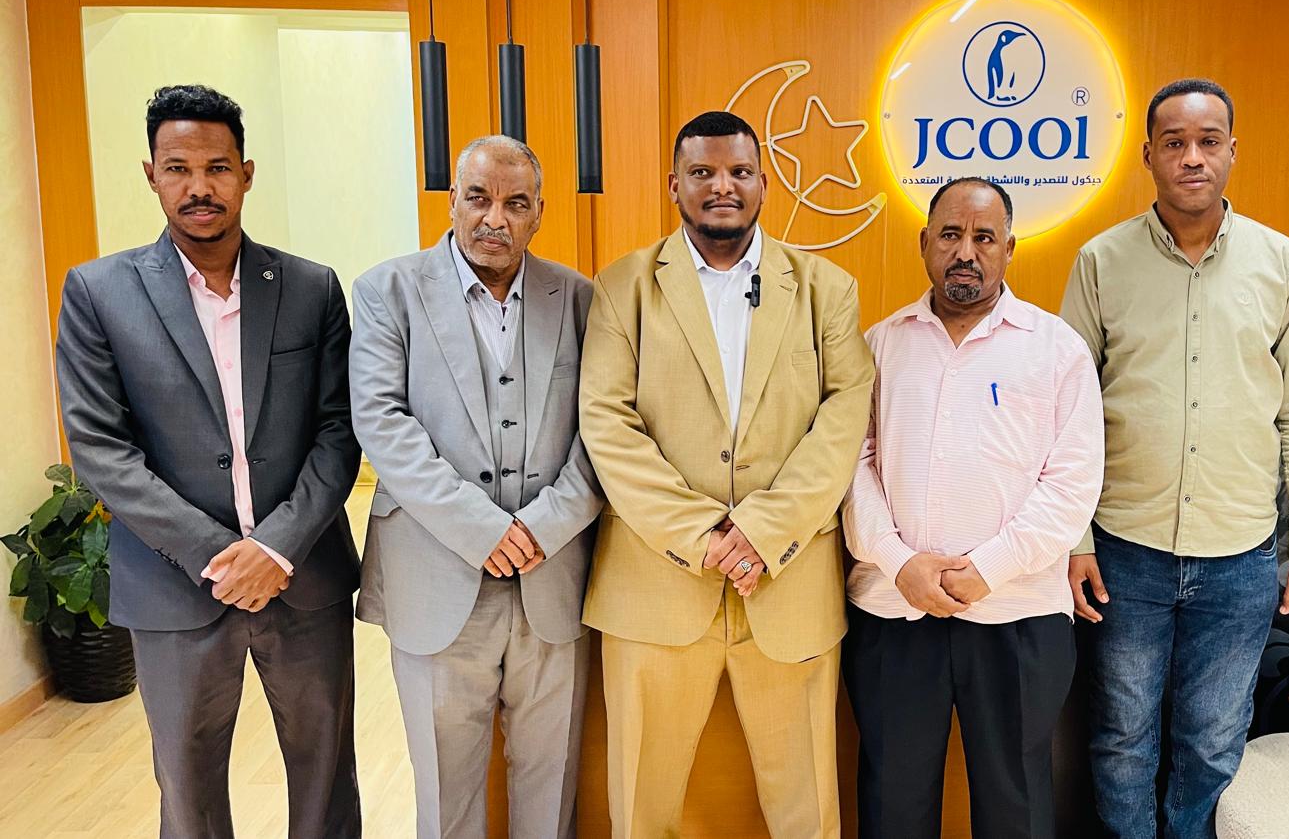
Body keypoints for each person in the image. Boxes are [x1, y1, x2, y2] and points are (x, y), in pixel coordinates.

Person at [55, 84, 361, 838]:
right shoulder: (99, 292)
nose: (199, 187)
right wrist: (219, 556)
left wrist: (276, 548)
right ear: (151, 176)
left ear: (246, 174)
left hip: (303, 578)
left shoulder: (311, 288)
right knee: (187, 791)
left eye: (217, 168)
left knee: (326, 780)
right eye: (178, 168)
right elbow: (100, 448)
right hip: (174, 587)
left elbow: (339, 431)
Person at [579, 110, 874, 838]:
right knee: (641, 807)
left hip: (789, 581)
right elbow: (607, 423)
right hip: (655, 582)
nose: (722, 187)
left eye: (740, 172)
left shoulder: (826, 289)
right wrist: (705, 535)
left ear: (763, 184)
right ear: (673, 184)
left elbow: (844, 419)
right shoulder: (623, 287)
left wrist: (764, 531)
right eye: (703, 172)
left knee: (808, 809)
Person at [1061, 78, 1289, 838]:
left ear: (1232, 151)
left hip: (1240, 555)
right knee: (1121, 737)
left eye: (1208, 141)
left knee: (1213, 742)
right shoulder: (1101, 261)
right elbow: (1065, 415)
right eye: (1175, 143)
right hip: (1124, 550)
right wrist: (1074, 539)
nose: (1193, 157)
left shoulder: (1281, 263)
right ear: (1148, 155)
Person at [349, 135, 603, 839]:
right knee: (446, 789)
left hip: (552, 575)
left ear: (539, 213)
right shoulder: (388, 292)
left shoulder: (578, 298)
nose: (495, 218)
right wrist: (484, 529)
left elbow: (603, 431)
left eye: (516, 204)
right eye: (479, 198)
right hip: (435, 576)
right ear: (453, 202)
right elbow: (381, 422)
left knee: (550, 784)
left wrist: (543, 527)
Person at [842, 177, 1104, 838]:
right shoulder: (879, 345)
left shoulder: (1057, 349)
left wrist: (986, 569)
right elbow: (851, 469)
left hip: (1018, 613)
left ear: (1009, 248)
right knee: (893, 802)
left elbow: (1072, 485)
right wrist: (899, 561)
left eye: (984, 237)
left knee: (1016, 805)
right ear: (924, 242)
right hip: (895, 608)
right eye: (951, 235)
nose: (966, 252)